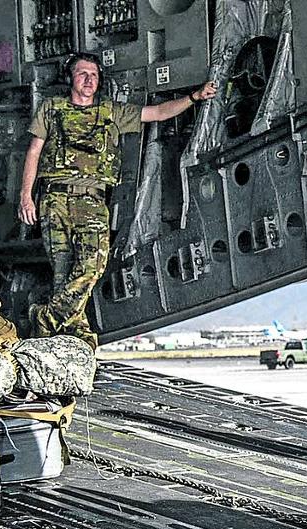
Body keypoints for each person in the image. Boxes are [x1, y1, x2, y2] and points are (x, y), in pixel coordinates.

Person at [17, 52, 217, 349]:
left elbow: (158, 113)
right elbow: (33, 152)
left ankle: (45, 320)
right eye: (83, 73)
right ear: (70, 78)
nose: (89, 80)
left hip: (92, 201)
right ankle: (74, 341)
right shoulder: (52, 108)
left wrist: (194, 96)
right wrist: (26, 196)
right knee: (63, 273)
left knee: (92, 266)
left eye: (94, 75)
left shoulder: (111, 112)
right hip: (55, 199)